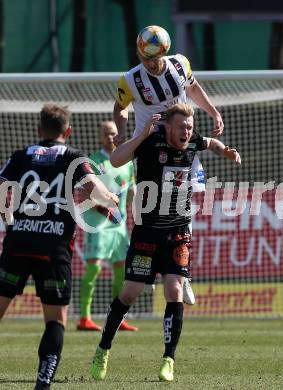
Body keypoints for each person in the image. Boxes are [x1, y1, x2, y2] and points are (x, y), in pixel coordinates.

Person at [90, 103, 241, 382]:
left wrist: (226, 151)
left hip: (178, 230)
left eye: (190, 127)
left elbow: (211, 142)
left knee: (173, 291)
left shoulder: (193, 141)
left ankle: (168, 359)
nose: (187, 131)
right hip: (147, 232)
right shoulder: (149, 142)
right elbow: (115, 159)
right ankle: (103, 349)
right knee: (129, 294)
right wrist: (142, 133)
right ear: (168, 127)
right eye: (182, 126)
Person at [0, 103, 119, 390]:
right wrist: (111, 198)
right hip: (53, 247)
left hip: (18, 242)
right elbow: (94, 189)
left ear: (39, 130)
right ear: (68, 131)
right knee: (56, 320)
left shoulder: (20, 156)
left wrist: (8, 217)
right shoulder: (73, 157)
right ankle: (43, 381)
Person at [113, 25, 224, 305]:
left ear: (164, 52)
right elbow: (120, 107)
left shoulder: (180, 64)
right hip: (150, 150)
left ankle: (182, 275)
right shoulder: (130, 79)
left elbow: (194, 87)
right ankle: (146, 267)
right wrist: (123, 132)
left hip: (182, 145)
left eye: (154, 58)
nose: (149, 63)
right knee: (147, 203)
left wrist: (213, 111)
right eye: (144, 58)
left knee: (185, 204)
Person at [77, 121, 138, 332]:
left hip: (118, 226)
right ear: (100, 137)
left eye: (113, 133)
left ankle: (117, 318)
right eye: (106, 134)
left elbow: (130, 191)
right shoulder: (94, 161)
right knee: (93, 268)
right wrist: (106, 211)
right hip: (99, 224)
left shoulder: (127, 162)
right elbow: (83, 194)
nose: (111, 137)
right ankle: (84, 317)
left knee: (121, 272)